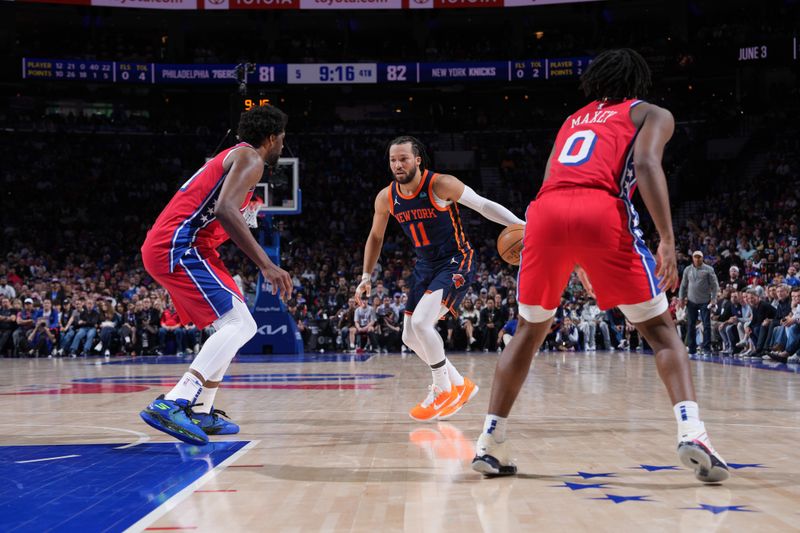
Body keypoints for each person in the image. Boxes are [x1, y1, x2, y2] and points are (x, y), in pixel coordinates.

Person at [472, 49, 728, 483]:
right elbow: (646, 164)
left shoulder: (573, 119)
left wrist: (576, 261)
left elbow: (555, 180)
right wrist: (667, 239)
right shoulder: (651, 113)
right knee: (661, 331)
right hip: (601, 209)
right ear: (639, 82)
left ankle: (489, 441)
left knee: (528, 331)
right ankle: (692, 432)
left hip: (545, 212)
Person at [138, 105, 293, 446]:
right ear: (271, 138)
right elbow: (224, 210)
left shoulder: (236, 159)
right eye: (282, 138)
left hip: (187, 246)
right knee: (242, 325)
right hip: (179, 245)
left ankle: (202, 410)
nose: (284, 145)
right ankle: (176, 401)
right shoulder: (249, 158)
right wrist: (266, 263)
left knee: (233, 326)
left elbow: (222, 212)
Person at [356, 136, 524, 421]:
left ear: (418, 159)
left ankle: (443, 390)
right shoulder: (386, 197)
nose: (397, 164)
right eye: (393, 160)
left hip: (456, 260)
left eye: (403, 159)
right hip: (425, 266)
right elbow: (375, 236)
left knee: (422, 323)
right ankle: (460, 384)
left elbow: (483, 205)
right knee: (409, 335)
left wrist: (522, 225)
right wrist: (366, 276)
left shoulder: (440, 184)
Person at [679, 251, 720, 354]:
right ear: (692, 258)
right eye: (695, 257)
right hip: (691, 301)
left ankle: (706, 348)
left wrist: (714, 299)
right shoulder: (687, 269)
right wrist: (681, 298)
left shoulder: (709, 269)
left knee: (706, 325)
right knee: (690, 325)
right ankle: (692, 348)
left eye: (699, 257)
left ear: (703, 258)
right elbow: (683, 286)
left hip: (705, 301)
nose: (697, 259)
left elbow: (715, 286)